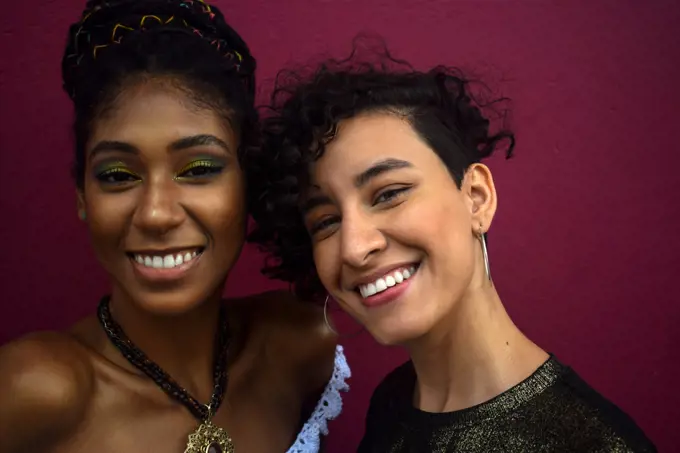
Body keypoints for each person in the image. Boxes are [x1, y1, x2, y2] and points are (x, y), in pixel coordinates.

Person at [248, 44, 656, 452]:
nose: (354, 248)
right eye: (326, 221)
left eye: (389, 193)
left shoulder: (592, 443)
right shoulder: (393, 403)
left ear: (476, 198)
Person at [0, 1, 350, 452]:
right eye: (118, 176)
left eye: (199, 168)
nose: (156, 214)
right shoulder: (34, 390)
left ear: (249, 182)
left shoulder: (300, 348)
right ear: (82, 197)